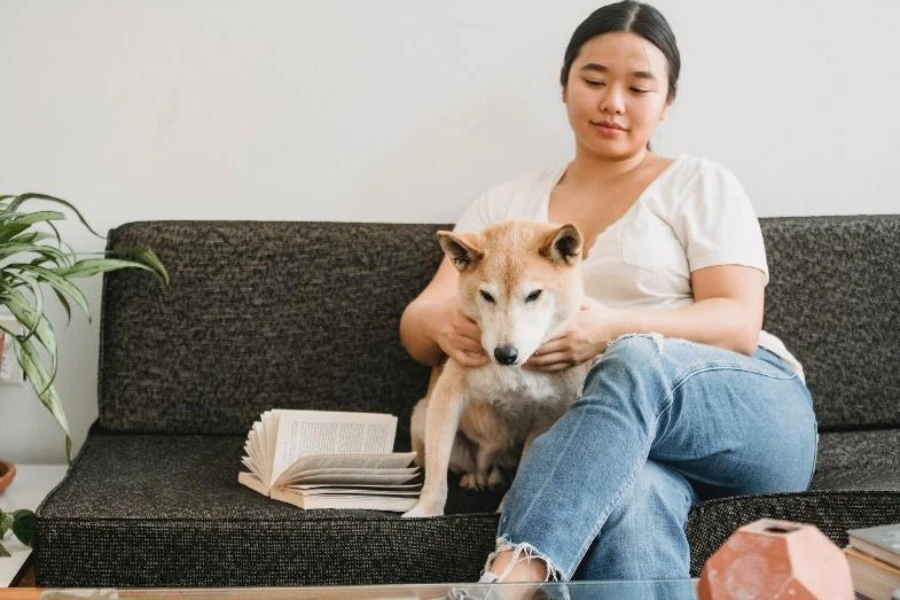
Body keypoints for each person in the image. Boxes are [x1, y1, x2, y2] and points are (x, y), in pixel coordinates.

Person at [398, 0, 817, 585]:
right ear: (564, 84)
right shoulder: (504, 206)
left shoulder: (699, 184)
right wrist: (449, 325)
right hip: (617, 442)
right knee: (632, 501)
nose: (612, 102)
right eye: (593, 80)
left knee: (629, 358)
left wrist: (612, 328)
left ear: (667, 101)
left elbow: (738, 323)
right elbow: (421, 321)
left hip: (746, 414)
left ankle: (509, 580)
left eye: (638, 87)